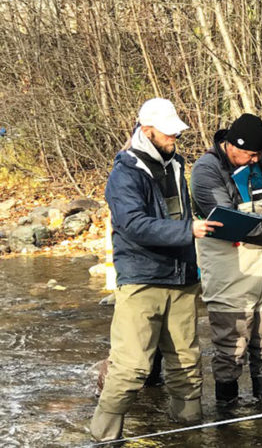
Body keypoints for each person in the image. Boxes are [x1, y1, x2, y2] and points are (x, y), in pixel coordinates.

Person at [91, 98, 220, 441]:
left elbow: (178, 215)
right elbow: (133, 225)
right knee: (131, 368)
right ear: (147, 131)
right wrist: (187, 231)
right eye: (170, 131)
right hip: (141, 279)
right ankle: (104, 437)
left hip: (182, 278)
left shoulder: (176, 163)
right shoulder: (124, 173)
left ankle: (190, 433)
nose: (176, 135)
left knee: (187, 366)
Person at [190, 113, 262, 406]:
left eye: (259, 155)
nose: (255, 160)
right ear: (232, 146)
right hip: (229, 265)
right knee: (231, 345)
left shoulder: (258, 156)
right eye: (251, 154)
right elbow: (227, 220)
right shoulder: (206, 171)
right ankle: (228, 415)